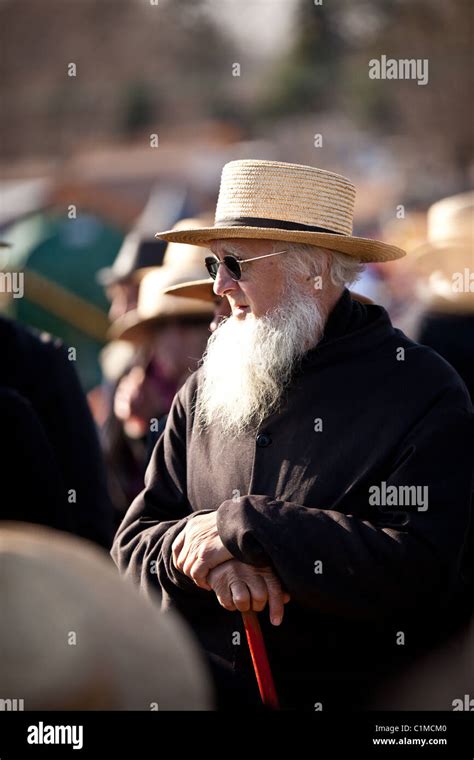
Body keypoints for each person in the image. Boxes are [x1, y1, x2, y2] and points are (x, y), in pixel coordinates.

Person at [112, 160, 474, 711]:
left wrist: (248, 527)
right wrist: (199, 559)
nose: (217, 285)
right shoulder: (206, 386)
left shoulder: (422, 391)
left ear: (315, 270)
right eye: (214, 262)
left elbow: (420, 569)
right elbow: (132, 544)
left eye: (235, 264)